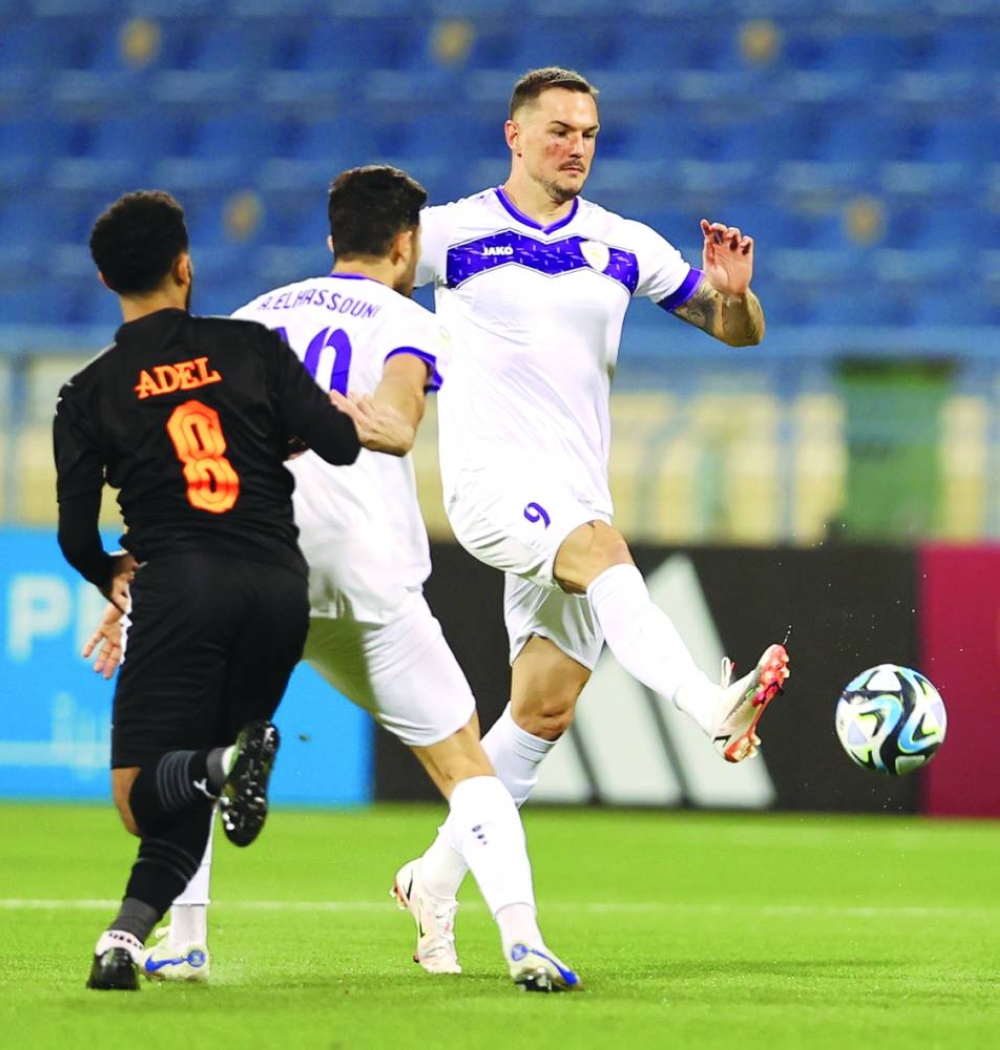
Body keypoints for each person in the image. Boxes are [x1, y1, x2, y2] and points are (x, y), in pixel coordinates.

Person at [85, 167, 581, 993]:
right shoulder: (406, 319)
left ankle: (185, 939)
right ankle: (525, 944)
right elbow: (397, 419)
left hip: (250, 564)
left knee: (197, 750)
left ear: (329, 241)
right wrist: (364, 417)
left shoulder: (251, 318)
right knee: (465, 767)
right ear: (406, 244)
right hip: (366, 579)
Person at [390, 66, 791, 971]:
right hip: (494, 491)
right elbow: (365, 288)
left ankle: (432, 878)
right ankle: (708, 706)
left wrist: (735, 294)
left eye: (589, 134)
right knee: (603, 551)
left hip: (575, 495)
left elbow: (739, 332)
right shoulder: (452, 234)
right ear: (515, 136)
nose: (576, 146)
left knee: (543, 712)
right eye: (560, 130)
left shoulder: (622, 242)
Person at [55, 189, 378, 991]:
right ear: (185, 266)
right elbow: (340, 443)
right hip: (276, 585)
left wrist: (109, 575)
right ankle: (125, 941)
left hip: (182, 587)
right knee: (193, 784)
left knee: (142, 796)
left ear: (104, 280)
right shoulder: (252, 348)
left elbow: (73, 534)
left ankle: (228, 760)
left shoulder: (88, 393)